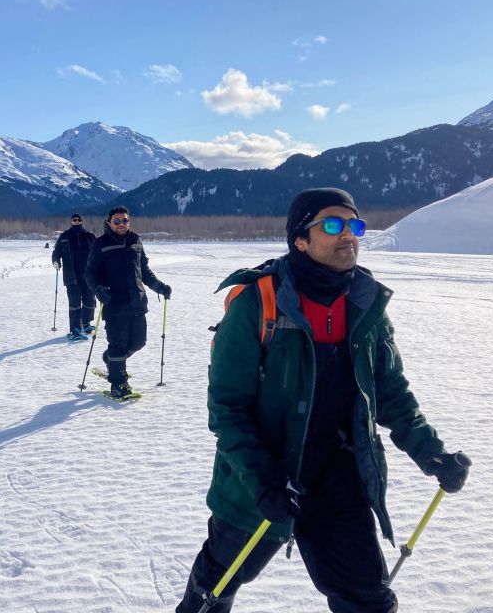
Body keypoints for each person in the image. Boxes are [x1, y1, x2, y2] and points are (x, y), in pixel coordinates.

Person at [176, 188, 471, 613]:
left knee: (367, 599)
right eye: (332, 225)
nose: (347, 235)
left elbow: (390, 392)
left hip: (338, 473)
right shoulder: (257, 303)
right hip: (262, 479)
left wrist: (432, 453)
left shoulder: (365, 304)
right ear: (300, 238)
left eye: (355, 225)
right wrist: (263, 483)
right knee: (215, 586)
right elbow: (228, 409)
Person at [84, 206, 171, 398]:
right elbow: (90, 273)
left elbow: (144, 272)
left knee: (139, 342)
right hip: (114, 303)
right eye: (117, 221)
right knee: (118, 345)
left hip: (137, 303)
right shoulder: (101, 244)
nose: (121, 224)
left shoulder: (136, 241)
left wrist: (160, 287)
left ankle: (110, 360)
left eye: (125, 220)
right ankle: (119, 383)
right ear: (109, 223)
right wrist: (99, 290)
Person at [51, 212, 97, 341]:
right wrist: (55, 261)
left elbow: (98, 253)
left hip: (89, 276)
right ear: (71, 222)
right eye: (74, 220)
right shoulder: (64, 237)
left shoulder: (89, 236)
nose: (76, 221)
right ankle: (75, 330)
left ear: (82, 221)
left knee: (89, 301)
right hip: (71, 277)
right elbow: (56, 253)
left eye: (79, 220)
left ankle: (86, 323)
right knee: (75, 303)